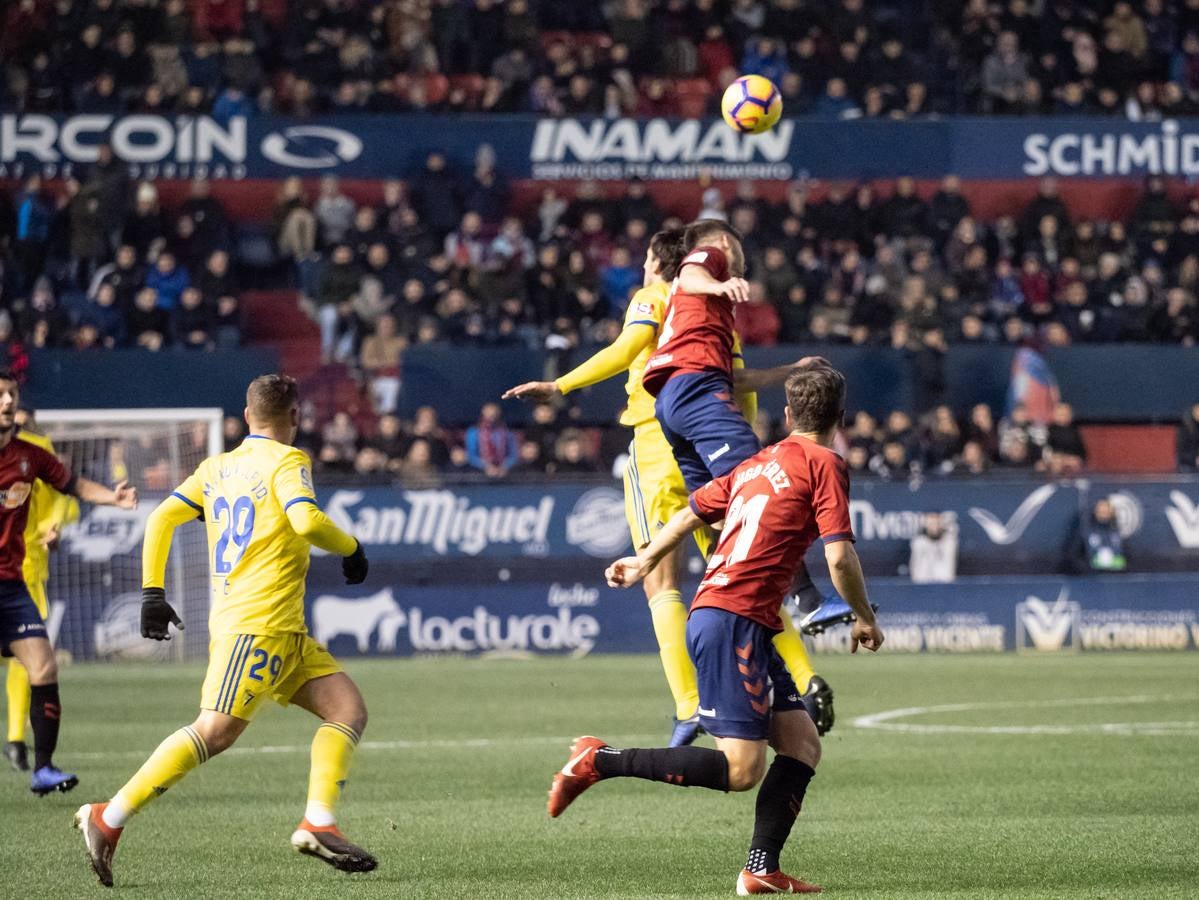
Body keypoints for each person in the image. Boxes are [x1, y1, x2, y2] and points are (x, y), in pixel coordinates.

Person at [547, 365, 883, 895]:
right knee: (742, 769)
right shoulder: (827, 464)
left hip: (740, 615)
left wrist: (641, 562)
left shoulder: (759, 462)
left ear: (789, 415)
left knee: (801, 744)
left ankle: (760, 869)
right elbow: (839, 557)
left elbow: (687, 516)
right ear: (841, 419)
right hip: (733, 620)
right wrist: (864, 616)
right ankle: (600, 760)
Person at [503, 230, 836, 744]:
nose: (640, 267)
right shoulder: (716, 316)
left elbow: (627, 346)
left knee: (660, 582)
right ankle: (803, 675)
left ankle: (688, 706)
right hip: (708, 433)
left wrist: (560, 385)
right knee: (746, 567)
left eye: (643, 259)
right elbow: (737, 384)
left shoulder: (657, 296)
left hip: (660, 443)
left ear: (660, 261)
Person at [73, 375, 375, 887]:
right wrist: (352, 547)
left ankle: (318, 821)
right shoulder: (289, 461)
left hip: (284, 629)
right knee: (215, 730)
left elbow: (162, 518)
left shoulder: (217, 467)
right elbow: (305, 521)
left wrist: (152, 590)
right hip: (255, 626)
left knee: (346, 709)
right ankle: (109, 817)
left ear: (246, 413)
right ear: (296, 416)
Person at [0, 373, 137, 795]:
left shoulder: (30, 455)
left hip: (10, 583)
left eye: (12, 394)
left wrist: (112, 497)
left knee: (42, 665)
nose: (6, 401)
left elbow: (72, 484)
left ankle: (43, 768)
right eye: (0, 395)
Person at [5, 407, 79, 773]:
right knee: (29, 658)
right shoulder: (34, 447)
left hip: (25, 569)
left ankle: (18, 741)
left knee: (30, 659)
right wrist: (55, 522)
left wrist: (53, 523)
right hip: (21, 570)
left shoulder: (33, 450)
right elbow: (64, 501)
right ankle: (17, 741)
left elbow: (63, 498)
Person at [1068, 498, 1127, 574]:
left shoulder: (1117, 532)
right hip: (1091, 579)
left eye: (1106, 511)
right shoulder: (1085, 531)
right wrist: (1088, 571)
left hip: (1114, 579)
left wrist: (1120, 569)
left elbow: (1127, 557)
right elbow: (1073, 555)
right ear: (1095, 511)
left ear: (1111, 512)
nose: (1103, 513)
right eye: (1101, 510)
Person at [909, 512, 957, 583]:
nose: (934, 526)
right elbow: (916, 570)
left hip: (944, 586)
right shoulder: (919, 542)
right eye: (931, 523)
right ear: (925, 524)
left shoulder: (949, 541)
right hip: (921, 586)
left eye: (937, 523)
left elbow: (949, 573)